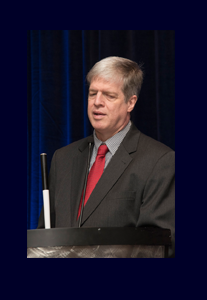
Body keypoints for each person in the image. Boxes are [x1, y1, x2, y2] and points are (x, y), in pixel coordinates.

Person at [36, 56, 175, 257]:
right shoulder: (63, 159)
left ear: (130, 103)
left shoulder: (160, 161)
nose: (97, 102)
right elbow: (43, 240)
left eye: (109, 95)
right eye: (93, 93)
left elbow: (155, 248)